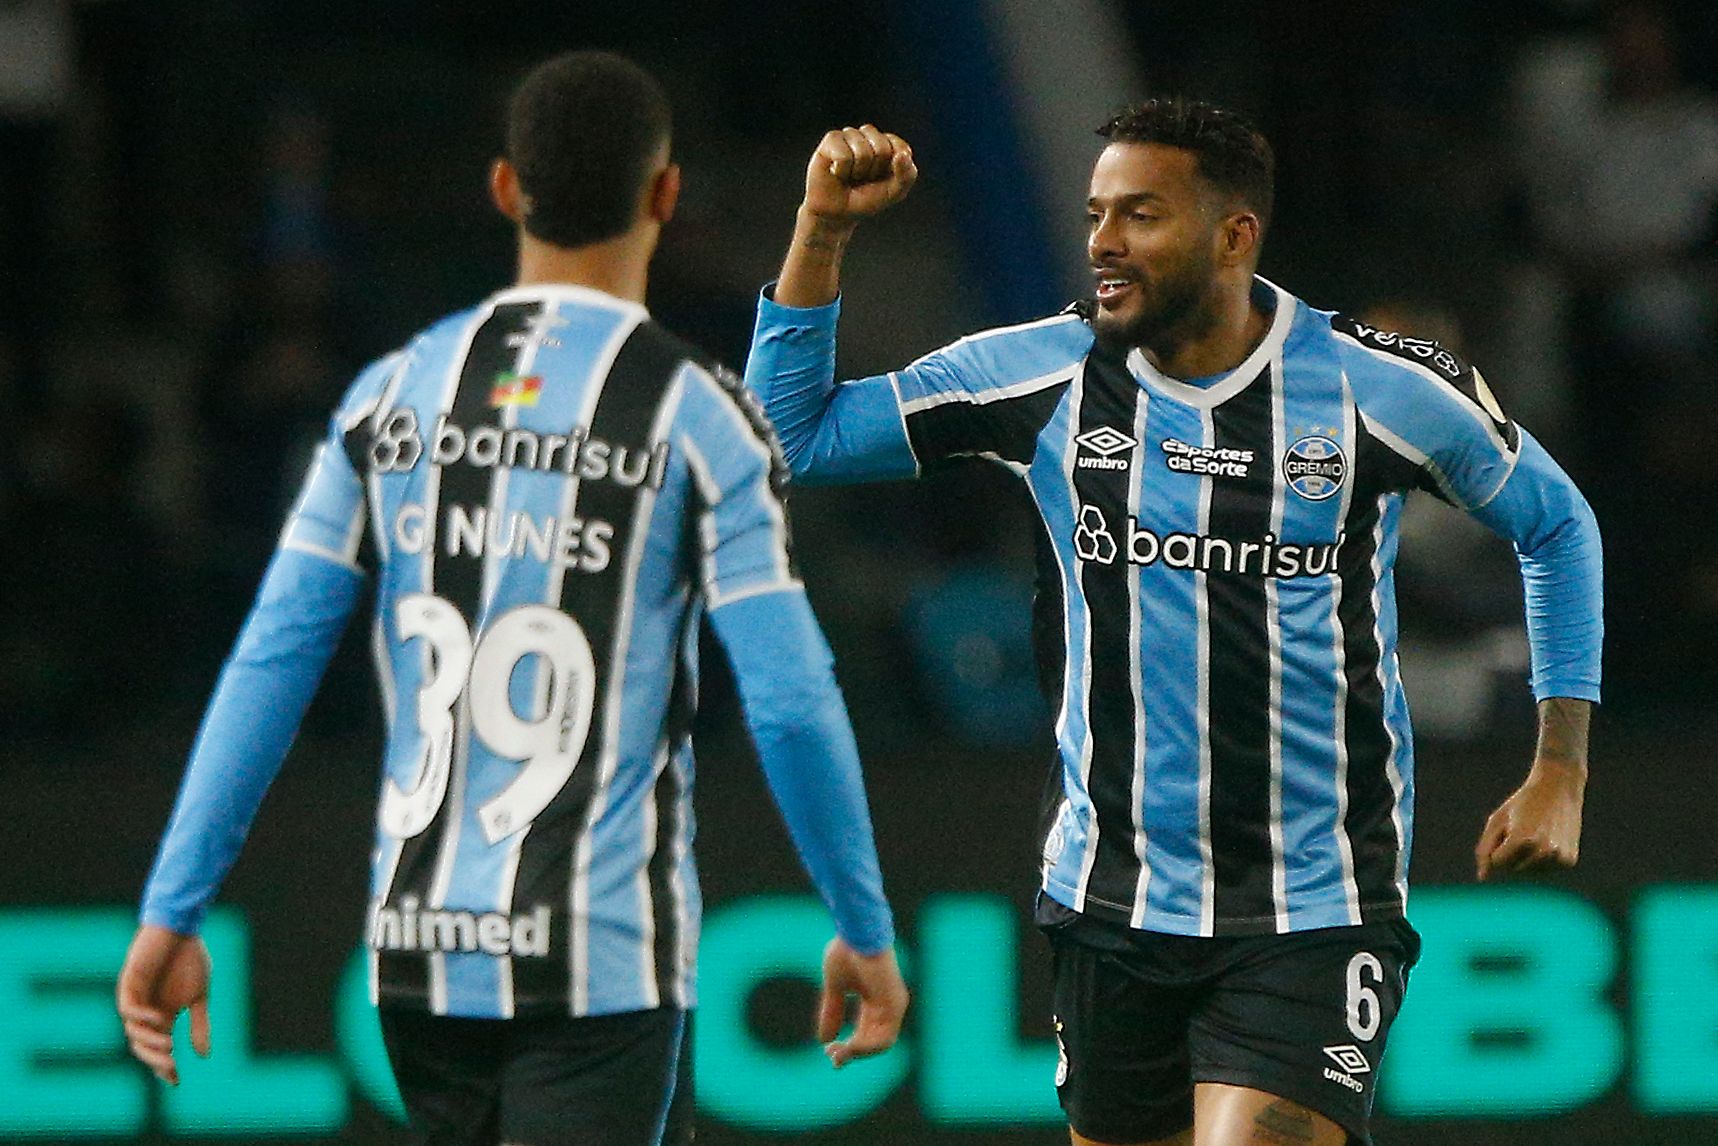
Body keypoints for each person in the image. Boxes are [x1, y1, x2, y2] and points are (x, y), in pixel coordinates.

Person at [744, 101, 1601, 1146]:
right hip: (1110, 905)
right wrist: (821, 230)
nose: (1102, 240)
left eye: (1139, 215)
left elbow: (1553, 523)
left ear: (1232, 236)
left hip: (1313, 905)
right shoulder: (1040, 374)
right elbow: (790, 436)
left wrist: (1558, 764)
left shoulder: (1376, 388)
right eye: (1098, 213)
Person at [117, 51, 908, 1146]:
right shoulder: (695, 413)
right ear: (665, 197)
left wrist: (174, 904)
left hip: (419, 966)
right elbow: (788, 696)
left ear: (503, 190)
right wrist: (861, 922)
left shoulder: (387, 394)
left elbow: (272, 658)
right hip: (599, 961)